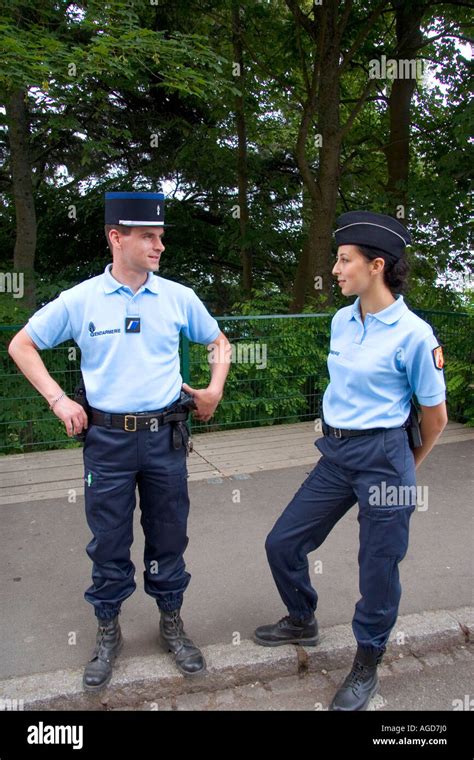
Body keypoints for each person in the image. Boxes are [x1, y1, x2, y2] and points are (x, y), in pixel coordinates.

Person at [8, 191, 231, 692]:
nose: (159, 246)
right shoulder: (80, 300)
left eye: (161, 237)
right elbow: (21, 344)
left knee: (169, 534)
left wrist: (214, 389)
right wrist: (58, 400)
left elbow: (219, 341)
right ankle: (108, 631)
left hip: (164, 439)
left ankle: (171, 623)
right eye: (148, 237)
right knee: (108, 540)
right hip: (105, 441)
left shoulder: (177, 297)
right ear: (117, 237)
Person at [253, 210, 447, 711]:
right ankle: (302, 617)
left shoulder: (415, 335)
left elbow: (436, 417)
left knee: (378, 566)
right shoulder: (343, 319)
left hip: (386, 456)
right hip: (337, 455)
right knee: (283, 541)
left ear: (376, 265)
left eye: (344, 260)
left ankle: (367, 665)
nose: (335, 270)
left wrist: (407, 465)